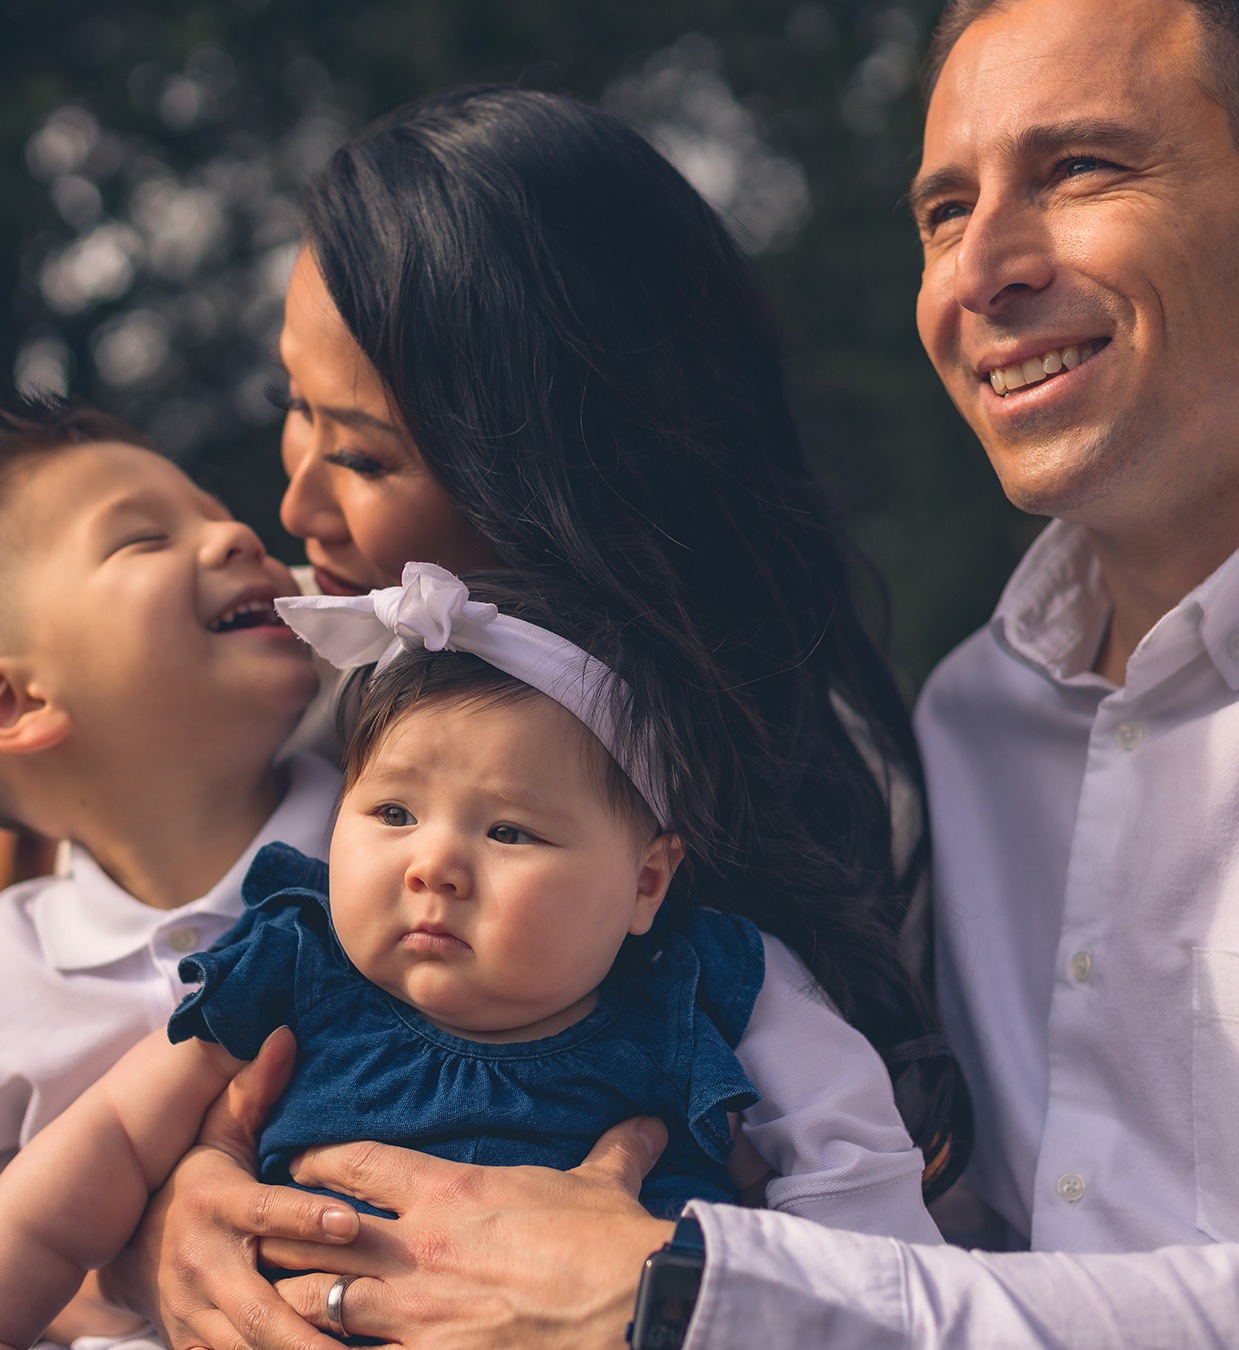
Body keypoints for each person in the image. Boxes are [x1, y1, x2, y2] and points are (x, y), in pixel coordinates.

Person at [99, 2, 1239, 1346]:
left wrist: (696, 1288)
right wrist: (168, 1213)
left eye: (1079, 167)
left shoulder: (824, 802)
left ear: (549, 467)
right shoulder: (979, 718)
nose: (978, 264)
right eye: (937, 210)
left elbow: (876, 1216)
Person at [0, 561, 952, 1350]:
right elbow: (109, 1146)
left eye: (510, 831)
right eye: (392, 813)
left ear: (647, 884)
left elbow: (849, 1161)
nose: (435, 866)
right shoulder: (296, 959)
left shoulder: (695, 980)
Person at [0, 396, 339, 1347]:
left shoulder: (401, 846)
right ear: (14, 698)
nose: (239, 531)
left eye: (215, 509)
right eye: (142, 539)